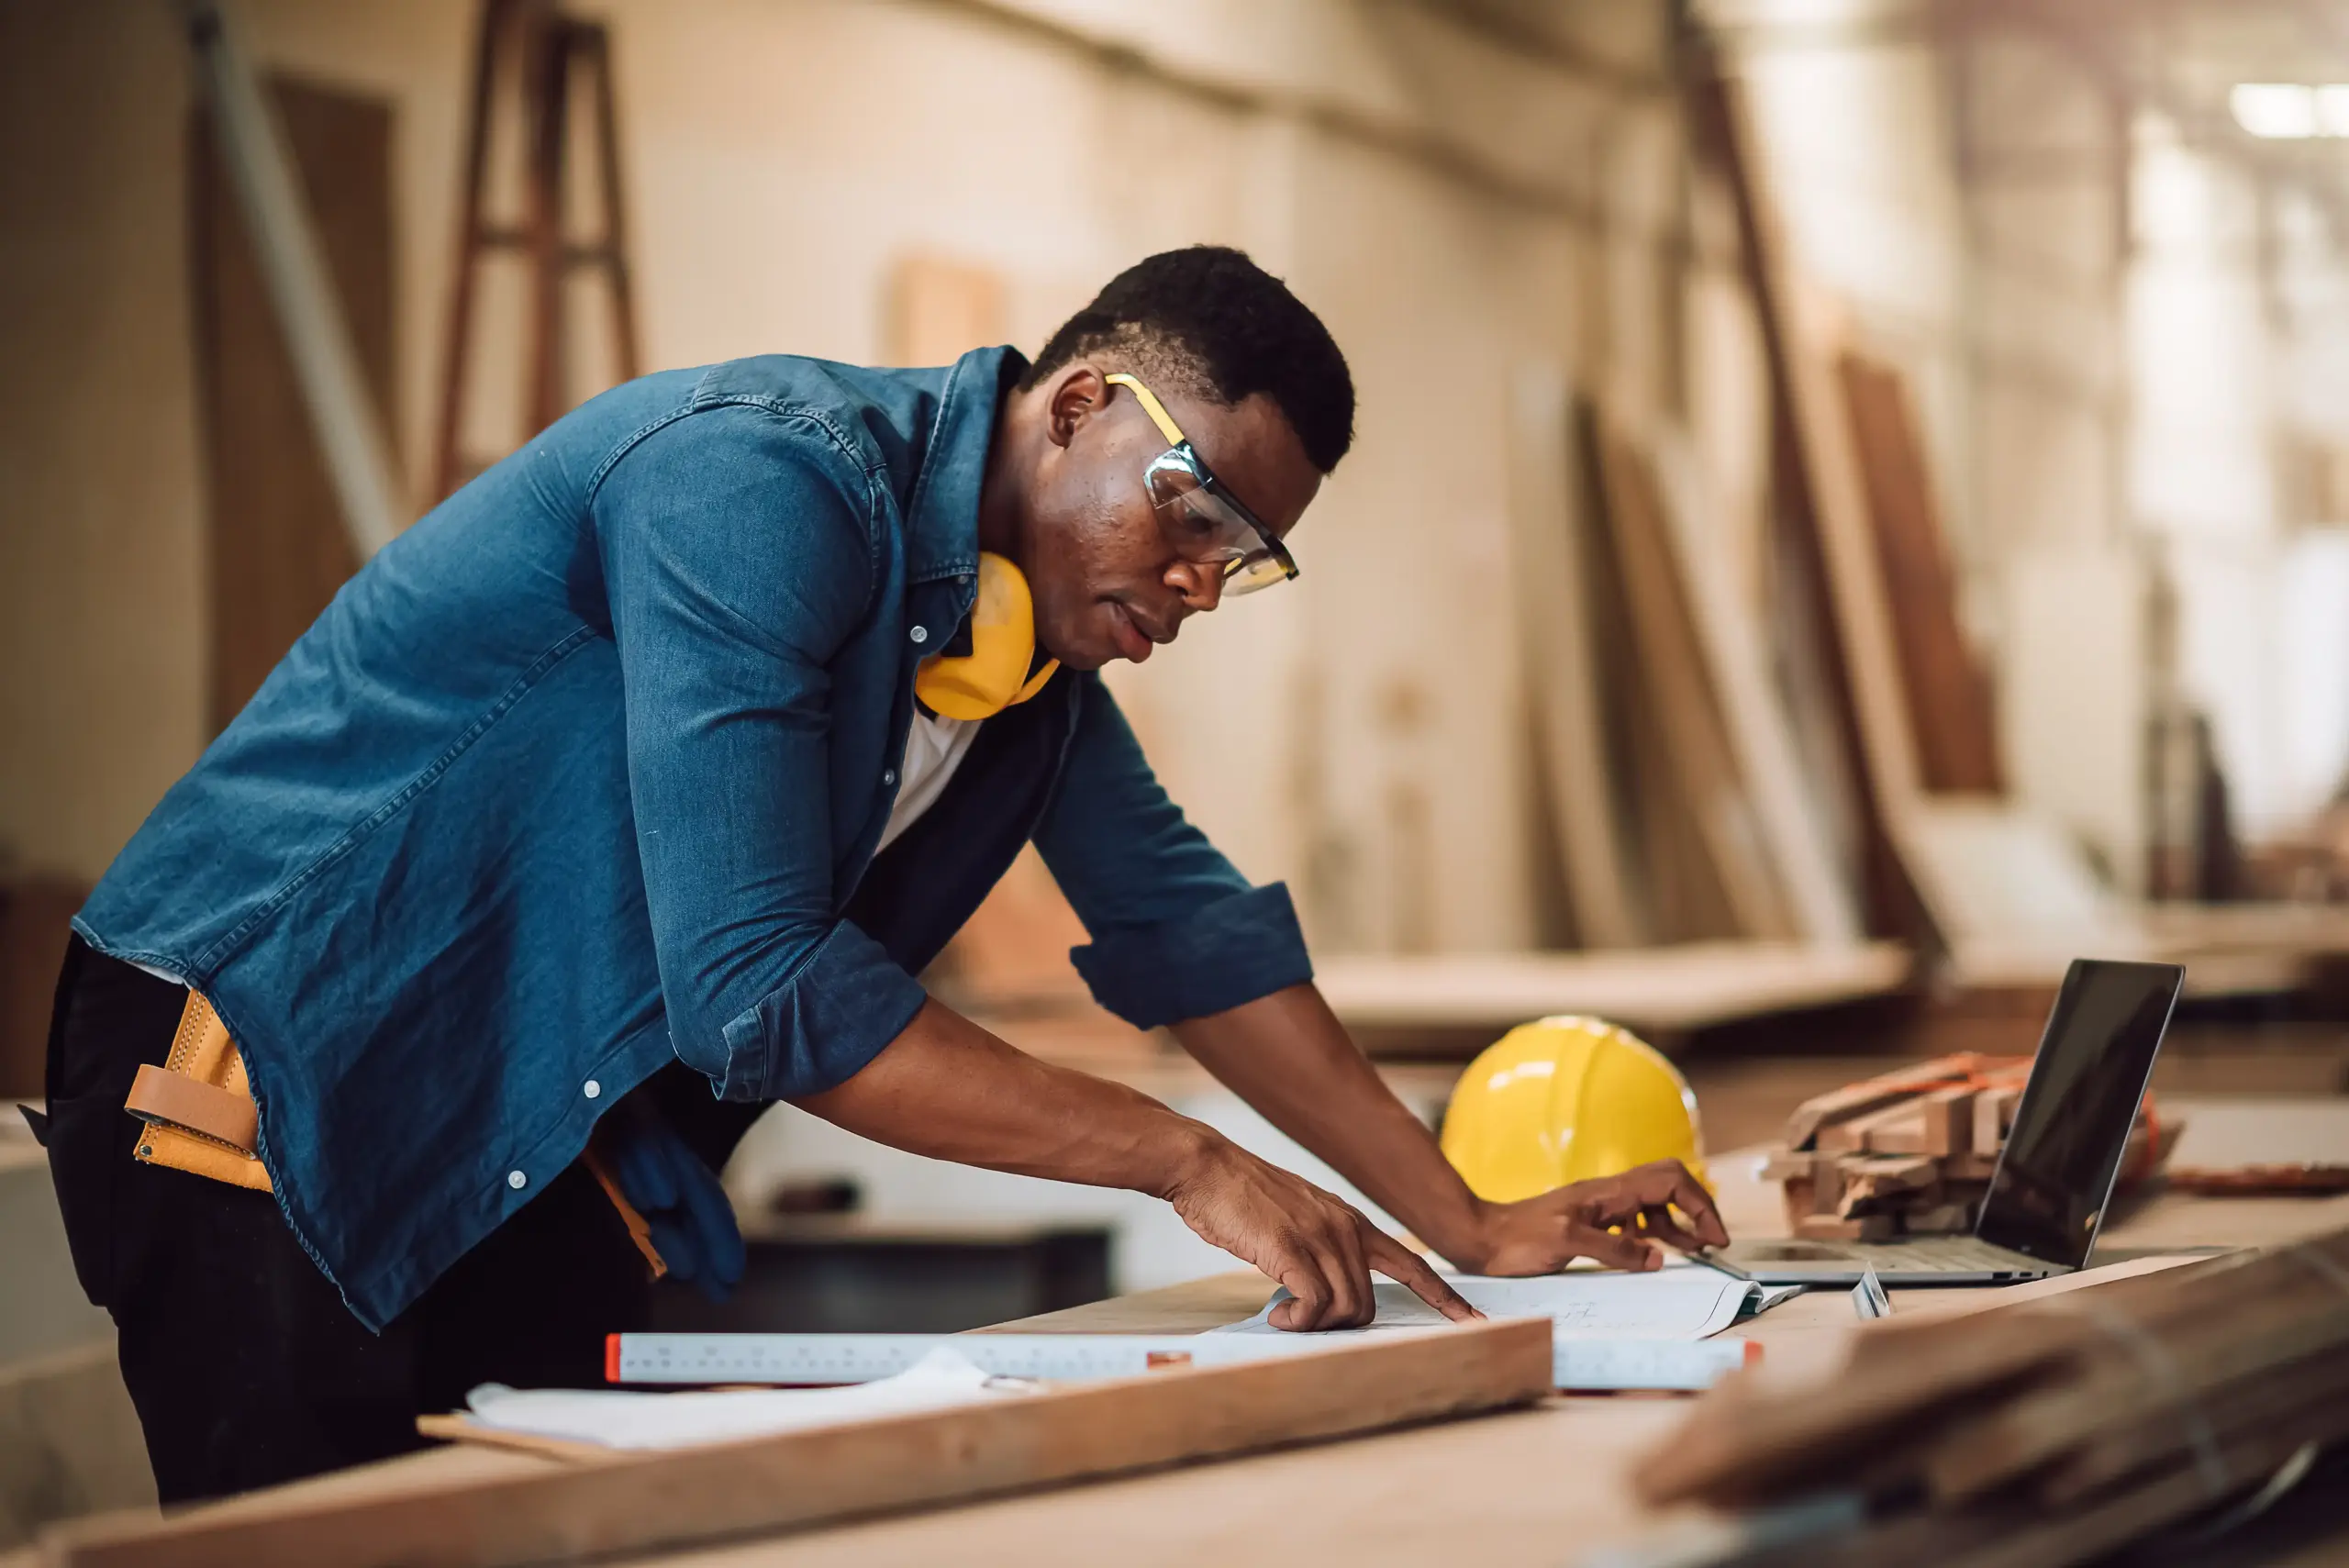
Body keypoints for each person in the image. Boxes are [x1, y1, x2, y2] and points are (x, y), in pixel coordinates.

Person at [41, 245, 1727, 1501]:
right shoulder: (759, 483)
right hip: (262, 1050)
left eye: (1244, 559)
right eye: (1191, 517)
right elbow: (760, 981)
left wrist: (1468, 1222)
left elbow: (1191, 935)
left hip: (509, 1115)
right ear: (1079, 405)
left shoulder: (1032, 680)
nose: (1201, 587)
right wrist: (1185, 1163)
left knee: (547, 1530)